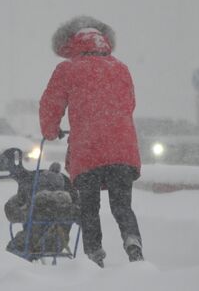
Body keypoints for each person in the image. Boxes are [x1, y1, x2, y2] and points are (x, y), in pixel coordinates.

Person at [39, 16, 143, 267]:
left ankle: (94, 255)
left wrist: (51, 131)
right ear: (104, 41)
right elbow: (129, 104)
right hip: (123, 149)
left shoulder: (68, 69)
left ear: (71, 43)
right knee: (122, 206)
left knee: (89, 208)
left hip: (88, 150)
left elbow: (50, 105)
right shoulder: (121, 68)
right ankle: (133, 242)